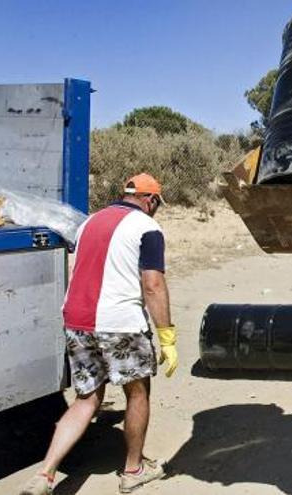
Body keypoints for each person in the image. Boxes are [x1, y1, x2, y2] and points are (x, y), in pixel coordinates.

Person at [20, 173, 179, 495]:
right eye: (157, 204)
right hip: (119, 322)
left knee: (86, 399)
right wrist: (166, 335)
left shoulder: (90, 222)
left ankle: (45, 474)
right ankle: (133, 470)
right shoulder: (148, 228)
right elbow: (152, 284)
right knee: (137, 392)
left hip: (77, 321)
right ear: (151, 200)